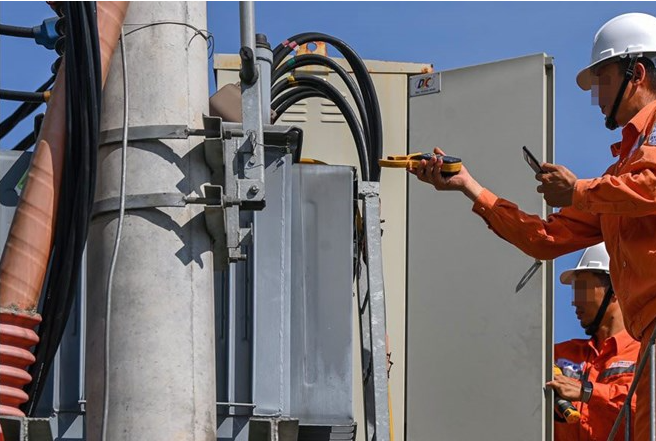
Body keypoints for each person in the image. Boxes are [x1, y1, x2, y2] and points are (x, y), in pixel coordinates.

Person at [410, 12, 656, 440]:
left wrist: (578, 191)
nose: (597, 96)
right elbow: (545, 239)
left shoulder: (620, 177)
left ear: (635, 74)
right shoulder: (617, 177)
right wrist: (469, 186)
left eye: (602, 80)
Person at [547, 244, 639, 440]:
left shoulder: (645, 353)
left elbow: (645, 409)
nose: (575, 301)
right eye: (575, 291)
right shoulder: (557, 354)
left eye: (583, 289)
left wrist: (588, 392)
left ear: (616, 289)